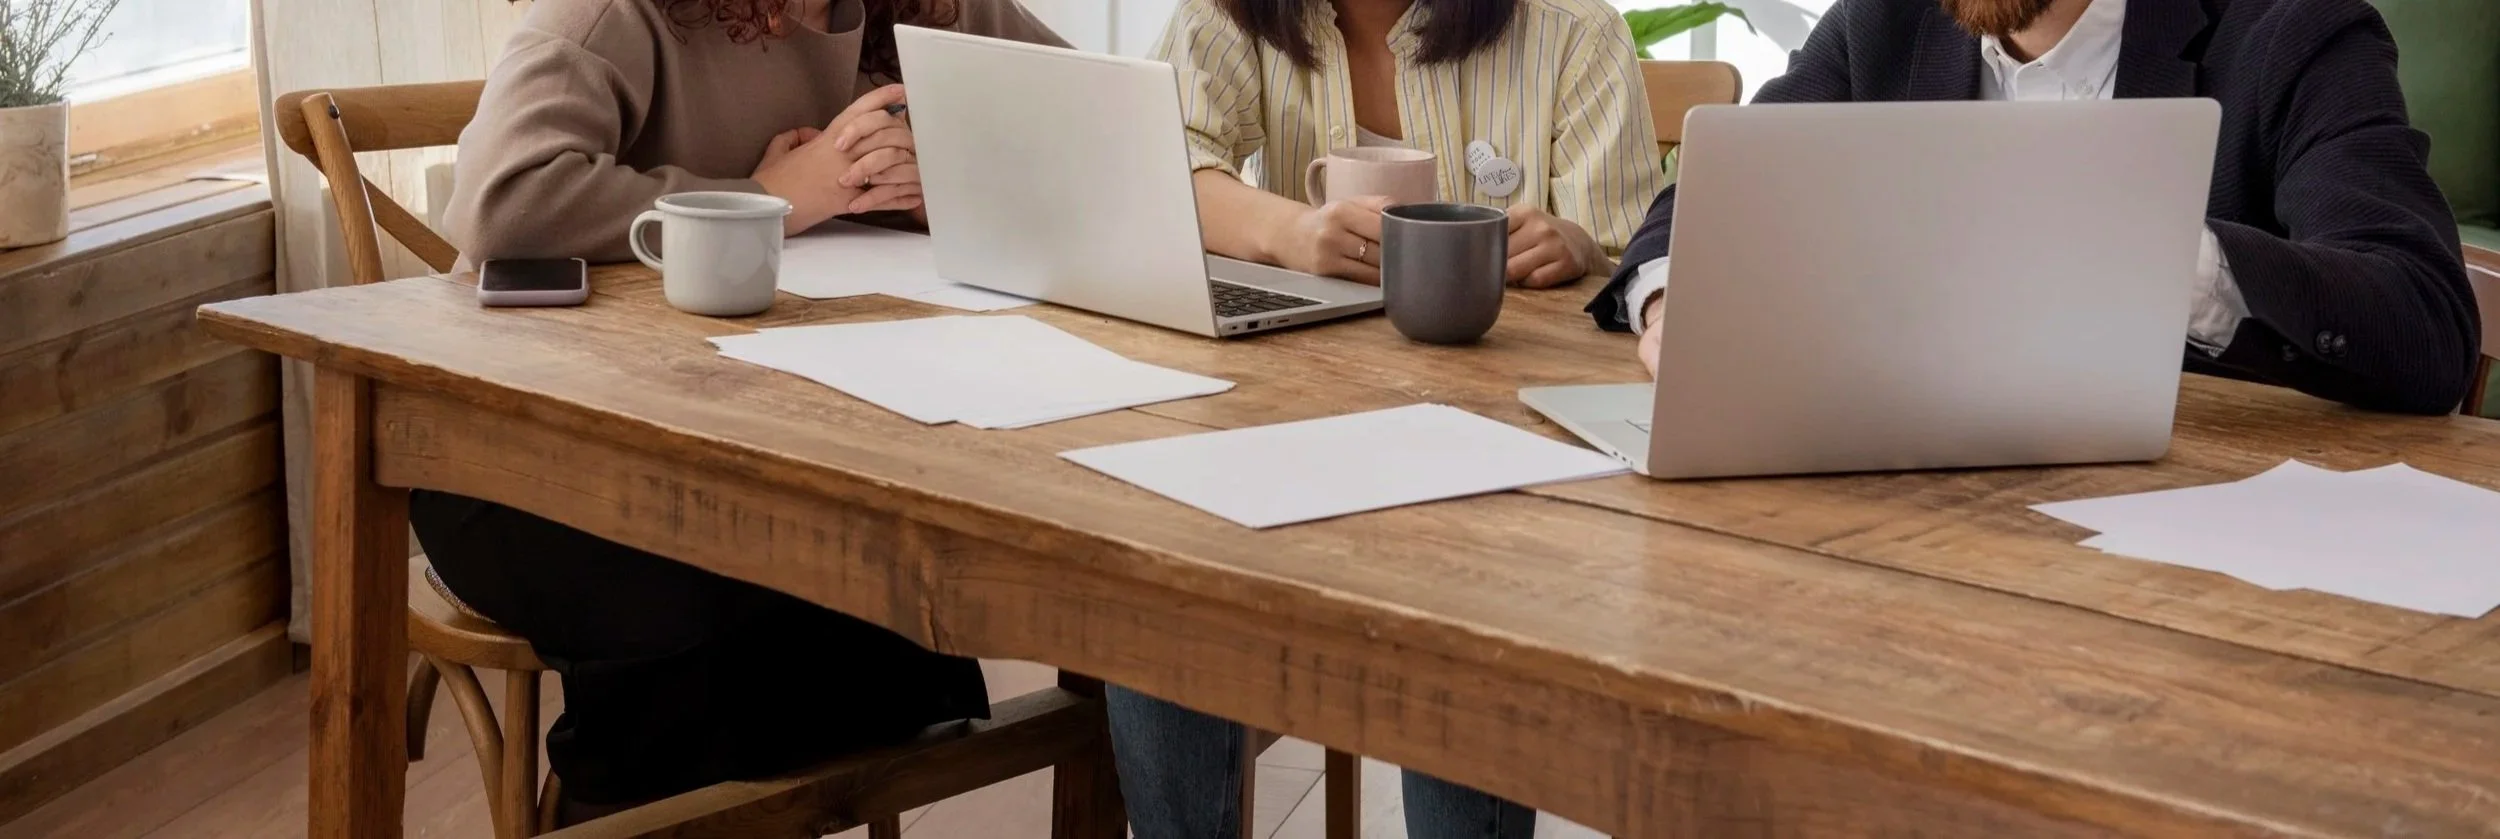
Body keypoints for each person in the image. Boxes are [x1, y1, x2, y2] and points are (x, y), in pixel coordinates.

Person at [426, 0, 1066, 823]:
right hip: (515, 453)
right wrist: (766, 197)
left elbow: (1097, 122)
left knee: (877, 585)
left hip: (753, 447)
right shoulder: (614, 14)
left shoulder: (939, 7)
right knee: (740, 597)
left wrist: (945, 191)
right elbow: (499, 203)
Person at [1110, 2, 1664, 836]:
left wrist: (1578, 245)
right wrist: (1288, 231)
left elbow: (1639, 257)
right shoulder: (1234, 15)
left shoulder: (1572, 30)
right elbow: (1150, 162)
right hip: (1286, 424)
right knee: (1153, 562)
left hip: (1495, 451)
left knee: (1468, 602)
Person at [1587, 0, 2483, 416]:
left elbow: (2429, 322)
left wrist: (2156, 249)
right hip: (1911, 516)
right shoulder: (1887, 24)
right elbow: (1712, 188)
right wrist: (1674, 300)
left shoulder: (2296, 30)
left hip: (2188, 573)